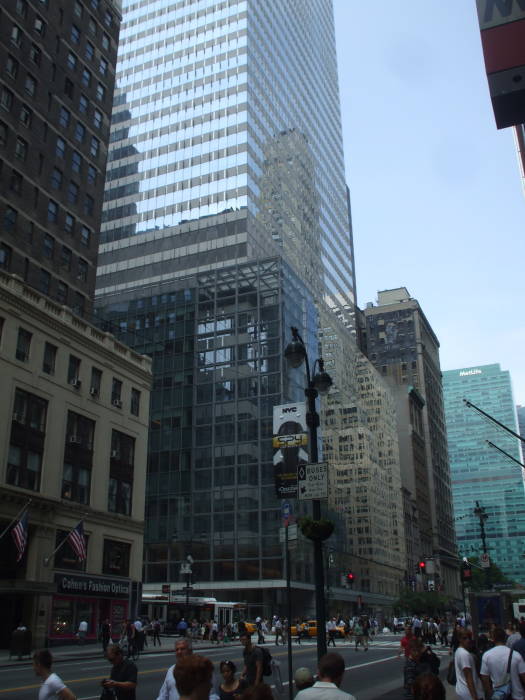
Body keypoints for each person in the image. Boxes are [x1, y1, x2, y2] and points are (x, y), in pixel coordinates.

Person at [480, 626, 525, 700]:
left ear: (493, 639)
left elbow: (484, 678)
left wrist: (490, 693)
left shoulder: (487, 656)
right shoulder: (516, 655)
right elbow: (524, 676)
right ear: (505, 638)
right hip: (517, 695)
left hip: (499, 696)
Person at [454, 630, 483, 700]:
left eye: (469, 638)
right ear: (459, 639)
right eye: (465, 638)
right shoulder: (464, 655)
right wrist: (474, 697)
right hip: (468, 693)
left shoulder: (458, 651)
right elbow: (468, 677)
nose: (468, 640)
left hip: (462, 691)